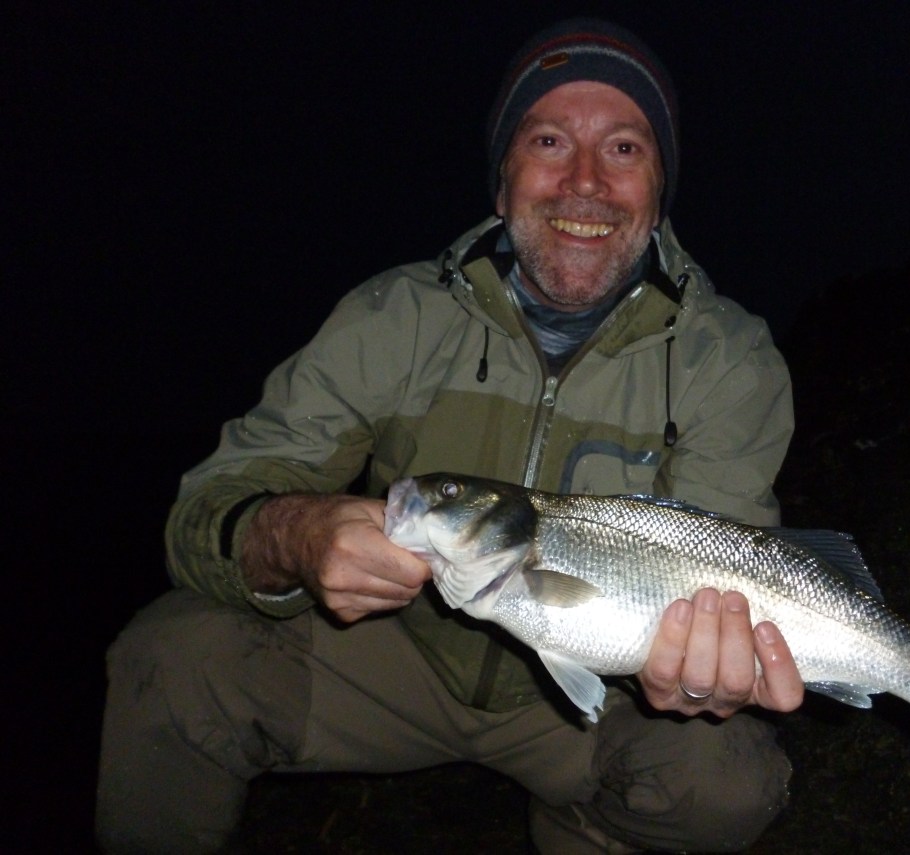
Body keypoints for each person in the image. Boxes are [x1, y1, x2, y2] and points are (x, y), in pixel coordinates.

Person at [97, 18, 803, 854]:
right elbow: (204, 514)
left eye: (622, 148)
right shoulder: (393, 319)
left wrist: (703, 665)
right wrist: (293, 534)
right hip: (396, 654)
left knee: (721, 780)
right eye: (548, 140)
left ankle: (585, 827)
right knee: (172, 661)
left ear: (658, 189)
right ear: (502, 181)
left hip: (604, 695)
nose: (584, 182)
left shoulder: (728, 357)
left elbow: (730, 565)